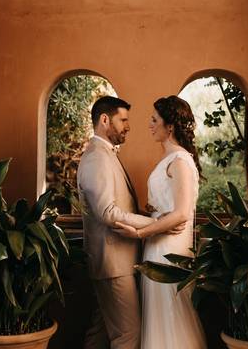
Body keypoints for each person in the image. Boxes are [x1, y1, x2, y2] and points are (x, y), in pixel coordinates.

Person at [113, 96, 207, 349]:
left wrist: (139, 233)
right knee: (160, 314)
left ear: (170, 127)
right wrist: (153, 214)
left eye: (155, 120)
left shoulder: (179, 161)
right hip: (159, 244)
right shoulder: (171, 159)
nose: (149, 124)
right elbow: (169, 210)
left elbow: (182, 213)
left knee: (171, 314)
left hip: (169, 250)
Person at [78, 96, 159, 349]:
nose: (128, 126)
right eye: (122, 120)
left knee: (100, 332)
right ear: (105, 120)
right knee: (128, 335)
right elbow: (107, 212)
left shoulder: (105, 154)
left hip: (117, 260)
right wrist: (153, 221)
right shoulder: (96, 157)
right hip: (113, 263)